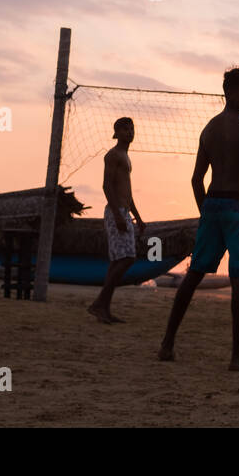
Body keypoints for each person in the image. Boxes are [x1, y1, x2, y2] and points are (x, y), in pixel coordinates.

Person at [158, 68, 239, 369]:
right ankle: (237, 357)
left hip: (213, 205)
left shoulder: (208, 129)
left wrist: (206, 214)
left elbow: (196, 180)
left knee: (193, 276)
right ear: (232, 91)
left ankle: (167, 345)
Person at [88, 117, 146, 323]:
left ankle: (103, 308)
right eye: (125, 129)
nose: (130, 132)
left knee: (117, 261)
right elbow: (106, 186)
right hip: (116, 212)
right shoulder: (112, 155)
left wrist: (137, 217)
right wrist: (117, 214)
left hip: (124, 211)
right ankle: (98, 303)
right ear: (117, 133)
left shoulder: (126, 156)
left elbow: (128, 193)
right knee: (128, 258)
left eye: (132, 128)